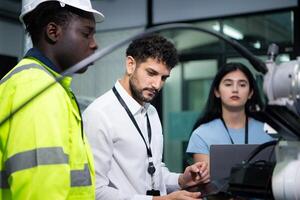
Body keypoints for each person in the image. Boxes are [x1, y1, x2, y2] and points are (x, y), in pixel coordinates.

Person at [83, 34, 209, 200]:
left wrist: (181, 179)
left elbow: (153, 171)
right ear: (130, 65)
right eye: (151, 73)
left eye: (164, 78)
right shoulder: (98, 114)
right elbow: (95, 191)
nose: (157, 85)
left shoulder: (151, 112)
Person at [0, 1, 104, 199]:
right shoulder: (36, 88)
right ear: (53, 32)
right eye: (86, 33)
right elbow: (40, 189)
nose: (94, 43)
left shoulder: (48, 85)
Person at [186, 62, 274, 174]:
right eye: (228, 84)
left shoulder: (269, 132)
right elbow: (206, 182)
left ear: (250, 93)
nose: (235, 90)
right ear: (217, 92)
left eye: (242, 85)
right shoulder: (201, 134)